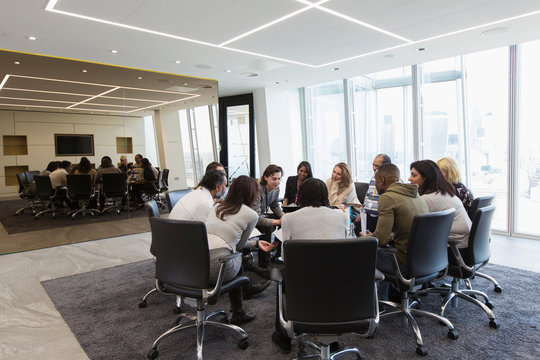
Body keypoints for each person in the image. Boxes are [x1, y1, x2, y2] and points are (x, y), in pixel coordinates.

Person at [272, 177, 349, 352]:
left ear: (301, 195)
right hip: (337, 279)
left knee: (279, 274)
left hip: (303, 282)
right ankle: (333, 335)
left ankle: (283, 336)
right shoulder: (341, 216)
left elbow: (286, 256)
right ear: (325, 195)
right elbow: (345, 247)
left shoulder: (289, 219)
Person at [205, 176, 273, 325]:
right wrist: (255, 243)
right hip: (217, 267)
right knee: (235, 256)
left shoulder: (217, 205)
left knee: (230, 254)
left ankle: (244, 298)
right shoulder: (251, 214)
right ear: (251, 194)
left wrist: (256, 243)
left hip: (194, 265)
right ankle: (239, 311)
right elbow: (240, 246)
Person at [362, 163, 428, 300]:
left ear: (382, 180)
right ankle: (387, 297)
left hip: (403, 263)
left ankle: (373, 304)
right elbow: (406, 232)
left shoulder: (388, 198)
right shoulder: (416, 196)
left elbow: (381, 239)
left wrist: (365, 238)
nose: (375, 186)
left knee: (361, 251)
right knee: (381, 249)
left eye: (375, 181)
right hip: (425, 260)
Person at [409, 160, 472, 248]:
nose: (409, 179)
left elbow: (411, 227)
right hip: (465, 244)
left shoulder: (427, 199)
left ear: (426, 178)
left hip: (454, 248)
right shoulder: (445, 192)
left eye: (414, 175)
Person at [251, 164, 285, 267]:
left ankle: (276, 252)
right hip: (251, 220)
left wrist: (283, 216)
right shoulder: (258, 190)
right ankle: (264, 263)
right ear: (265, 177)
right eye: (274, 179)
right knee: (267, 227)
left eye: (279, 179)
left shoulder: (276, 189)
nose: (277, 182)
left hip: (261, 216)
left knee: (285, 222)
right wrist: (277, 222)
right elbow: (256, 218)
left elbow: (275, 205)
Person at [363, 154, 392, 232]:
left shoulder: (392, 181)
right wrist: (363, 211)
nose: (373, 168)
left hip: (381, 218)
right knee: (353, 228)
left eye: (377, 166)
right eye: (373, 165)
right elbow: (367, 196)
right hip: (368, 215)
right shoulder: (373, 179)